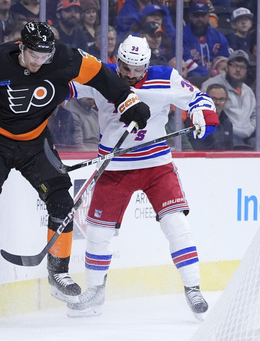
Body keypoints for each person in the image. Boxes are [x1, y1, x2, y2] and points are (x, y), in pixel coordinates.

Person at [0, 21, 151, 314]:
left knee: (62, 201)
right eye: (34, 55)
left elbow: (101, 74)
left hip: (36, 143)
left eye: (44, 57)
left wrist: (127, 99)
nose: (39, 62)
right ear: (21, 48)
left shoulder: (67, 58)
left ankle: (58, 274)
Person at [65, 35, 218, 319]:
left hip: (156, 165)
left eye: (137, 69)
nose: (130, 74)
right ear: (117, 60)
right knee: (98, 234)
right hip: (114, 167)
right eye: (125, 67)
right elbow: (65, 87)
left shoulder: (165, 77)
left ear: (146, 65)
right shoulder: (103, 75)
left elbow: (199, 98)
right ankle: (95, 293)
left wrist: (201, 117)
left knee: (176, 224)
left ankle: (193, 288)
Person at [202, 49, 256, 147]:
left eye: (242, 67)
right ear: (227, 67)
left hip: (249, 134)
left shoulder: (248, 91)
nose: (238, 70)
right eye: (235, 66)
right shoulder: (211, 85)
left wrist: (252, 127)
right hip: (226, 134)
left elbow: (255, 114)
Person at [183, 0, 229, 83]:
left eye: (203, 15)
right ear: (190, 16)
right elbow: (185, 61)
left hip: (216, 77)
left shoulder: (218, 37)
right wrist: (208, 74)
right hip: (192, 78)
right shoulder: (182, 34)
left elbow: (225, 60)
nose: (200, 19)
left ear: (208, 16)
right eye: (196, 15)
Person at [186, 83, 233, 150]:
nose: (218, 103)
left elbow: (230, 149)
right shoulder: (195, 120)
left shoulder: (227, 122)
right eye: (213, 99)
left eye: (221, 99)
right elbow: (197, 149)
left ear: (226, 101)